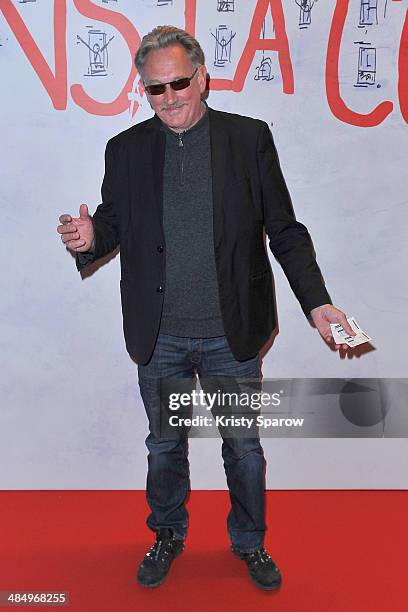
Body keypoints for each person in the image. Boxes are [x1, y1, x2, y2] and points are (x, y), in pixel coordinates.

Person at [57, 25, 355, 591]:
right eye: (155, 89)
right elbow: (112, 224)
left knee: (243, 447)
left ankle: (250, 543)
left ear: (203, 78)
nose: (168, 98)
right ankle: (167, 533)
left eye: (179, 83)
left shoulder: (249, 139)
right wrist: (89, 236)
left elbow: (285, 230)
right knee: (164, 446)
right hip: (160, 333)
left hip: (230, 331)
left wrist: (317, 303)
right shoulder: (125, 150)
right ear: (143, 90)